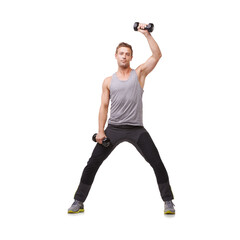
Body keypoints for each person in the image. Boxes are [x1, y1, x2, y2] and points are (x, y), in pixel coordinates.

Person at [68, 23, 175, 214]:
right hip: (114, 129)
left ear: (131, 57)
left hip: (136, 129)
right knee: (92, 163)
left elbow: (157, 55)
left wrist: (146, 34)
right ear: (116, 56)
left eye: (127, 53)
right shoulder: (108, 81)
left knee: (156, 161)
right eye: (121, 53)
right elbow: (103, 107)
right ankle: (78, 201)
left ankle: (168, 202)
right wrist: (101, 131)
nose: (124, 56)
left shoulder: (139, 74)